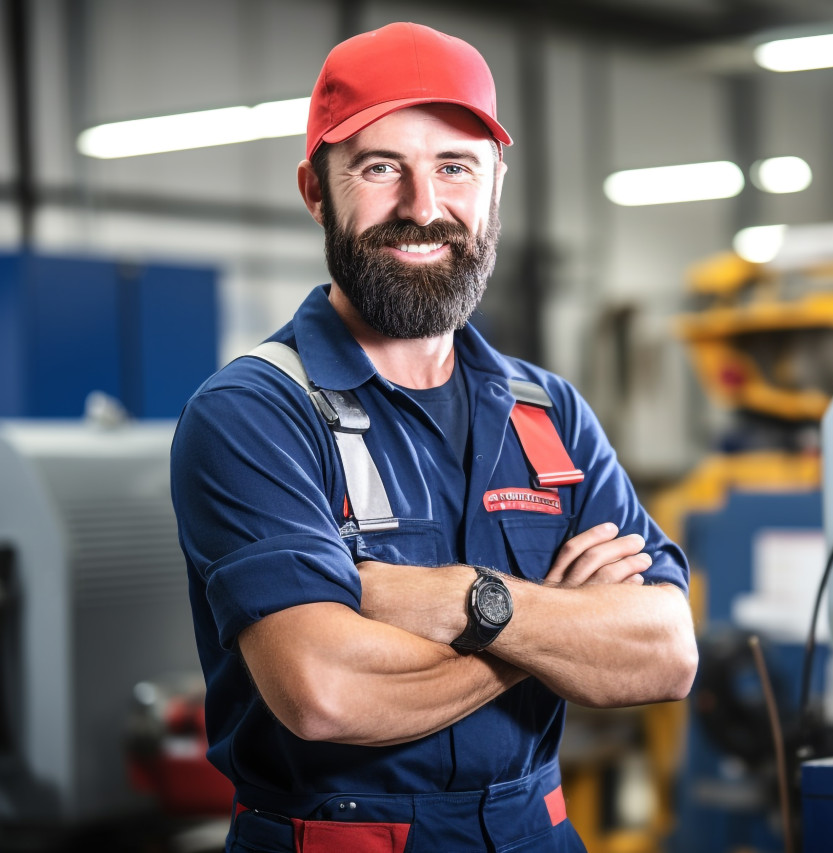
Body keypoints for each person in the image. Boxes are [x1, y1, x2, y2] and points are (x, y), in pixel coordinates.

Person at [170, 21, 698, 853]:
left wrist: (463, 601)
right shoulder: (252, 414)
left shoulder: (549, 413)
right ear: (316, 191)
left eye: (456, 167)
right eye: (381, 168)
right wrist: (552, 629)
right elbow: (324, 690)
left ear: (495, 186)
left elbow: (666, 652)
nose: (424, 207)